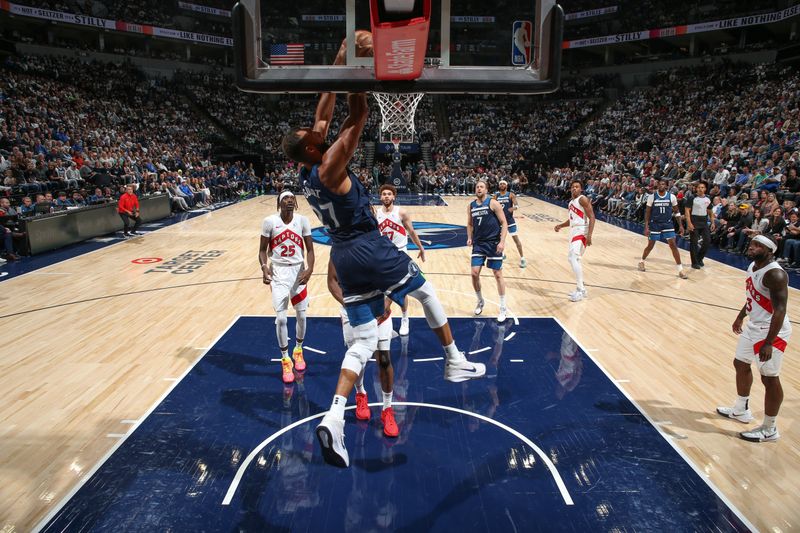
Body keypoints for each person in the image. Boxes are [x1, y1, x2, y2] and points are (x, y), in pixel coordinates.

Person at [281, 31, 484, 468]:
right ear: (313, 149)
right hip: (367, 246)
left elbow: (323, 111)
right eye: (313, 135)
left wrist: (338, 59)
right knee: (426, 291)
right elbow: (357, 112)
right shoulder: (332, 164)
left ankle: (334, 418)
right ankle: (453, 359)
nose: (317, 129)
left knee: (364, 341)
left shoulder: (309, 169)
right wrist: (360, 65)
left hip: (343, 257)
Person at [716, 235, 791, 442]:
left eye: (758, 246)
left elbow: (780, 310)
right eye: (752, 244)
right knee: (740, 363)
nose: (752, 247)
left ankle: (770, 428)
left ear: (769, 251)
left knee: (769, 378)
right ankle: (741, 409)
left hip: (771, 331)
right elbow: (752, 295)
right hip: (753, 326)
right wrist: (741, 316)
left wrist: (769, 342)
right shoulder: (753, 266)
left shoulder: (775, 274)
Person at [328, 260, 398, 437]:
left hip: (380, 312)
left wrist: (386, 304)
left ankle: (387, 409)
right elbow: (332, 281)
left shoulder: (380, 243)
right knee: (359, 359)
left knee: (384, 359)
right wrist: (350, 305)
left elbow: (394, 279)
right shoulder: (341, 246)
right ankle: (361, 394)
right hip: (353, 312)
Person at [259, 191, 314, 384]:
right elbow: (262, 251)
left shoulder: (303, 220)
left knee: (302, 315)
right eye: (285, 199)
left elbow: (310, 250)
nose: (290, 201)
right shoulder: (269, 221)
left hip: (298, 272)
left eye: (292, 199)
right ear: (279, 203)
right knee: (281, 319)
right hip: (279, 274)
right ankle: (285, 358)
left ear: (296, 203)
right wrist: (264, 268)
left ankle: (298, 349)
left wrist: (310, 270)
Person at [376, 183, 426, 336]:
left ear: (394, 196)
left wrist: (421, 247)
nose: (386, 196)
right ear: (380, 197)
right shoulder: (375, 214)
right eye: (384, 194)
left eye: (389, 194)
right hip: (382, 256)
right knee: (381, 290)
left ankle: (405, 318)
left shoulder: (401, 213)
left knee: (401, 290)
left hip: (400, 256)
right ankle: (385, 318)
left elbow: (411, 231)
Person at [468, 179, 509, 322]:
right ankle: (480, 301)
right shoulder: (471, 205)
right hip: (478, 244)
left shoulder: (493, 203)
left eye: (481, 187)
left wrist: (502, 242)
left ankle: (503, 308)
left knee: (497, 274)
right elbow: (469, 224)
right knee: (474, 273)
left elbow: (504, 223)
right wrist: (469, 237)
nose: (479, 188)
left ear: (486, 189)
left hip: (493, 243)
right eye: (477, 186)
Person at [554, 180, 595, 302]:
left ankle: (581, 290)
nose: (574, 189)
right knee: (574, 259)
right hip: (574, 231)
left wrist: (590, 235)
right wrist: (561, 225)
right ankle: (581, 289)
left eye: (577, 187)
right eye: (572, 187)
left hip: (582, 231)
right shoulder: (571, 202)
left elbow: (592, 217)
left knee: (572, 257)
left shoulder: (583, 199)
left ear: (581, 189)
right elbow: (571, 220)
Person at [638, 178, 688, 279]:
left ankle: (680, 270)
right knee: (650, 245)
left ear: (666, 186)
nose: (661, 185)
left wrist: (681, 225)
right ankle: (641, 261)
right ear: (657, 185)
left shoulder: (672, 197)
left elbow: (677, 212)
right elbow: (647, 212)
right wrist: (646, 227)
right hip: (655, 224)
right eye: (659, 184)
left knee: (673, 245)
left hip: (667, 224)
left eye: (663, 184)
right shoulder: (652, 197)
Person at [494, 179, 526, 268]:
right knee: (499, 240)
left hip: (510, 221)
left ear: (506, 186)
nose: (502, 185)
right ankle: (501, 256)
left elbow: (517, 205)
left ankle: (522, 258)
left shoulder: (511, 195)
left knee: (516, 240)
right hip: (500, 221)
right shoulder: (496, 196)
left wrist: (512, 209)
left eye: (504, 184)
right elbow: (491, 206)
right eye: (501, 184)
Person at [684, 181, 716, 269]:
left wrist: (713, 222)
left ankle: (699, 258)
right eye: (699, 187)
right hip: (694, 220)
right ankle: (694, 262)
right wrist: (689, 223)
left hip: (704, 221)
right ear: (696, 188)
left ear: (705, 189)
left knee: (707, 241)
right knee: (694, 242)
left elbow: (710, 211)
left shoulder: (708, 199)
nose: (700, 189)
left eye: (702, 187)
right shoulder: (692, 198)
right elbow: (687, 211)